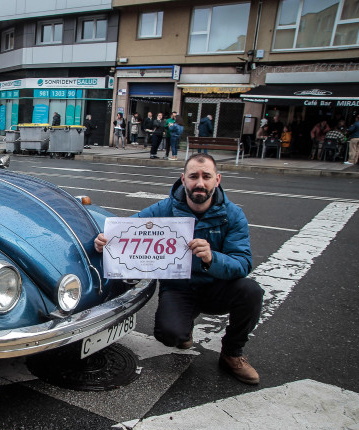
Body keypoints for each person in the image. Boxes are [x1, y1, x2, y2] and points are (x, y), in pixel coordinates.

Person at [93, 153, 263, 385]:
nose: (200, 183)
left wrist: (213, 258)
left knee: (251, 291)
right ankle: (184, 327)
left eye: (206, 176)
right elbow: (126, 230)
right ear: (183, 179)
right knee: (171, 336)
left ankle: (232, 353)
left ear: (218, 179)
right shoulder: (165, 208)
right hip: (180, 288)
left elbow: (243, 263)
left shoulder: (232, 215)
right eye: (194, 176)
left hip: (217, 287)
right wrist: (105, 240)